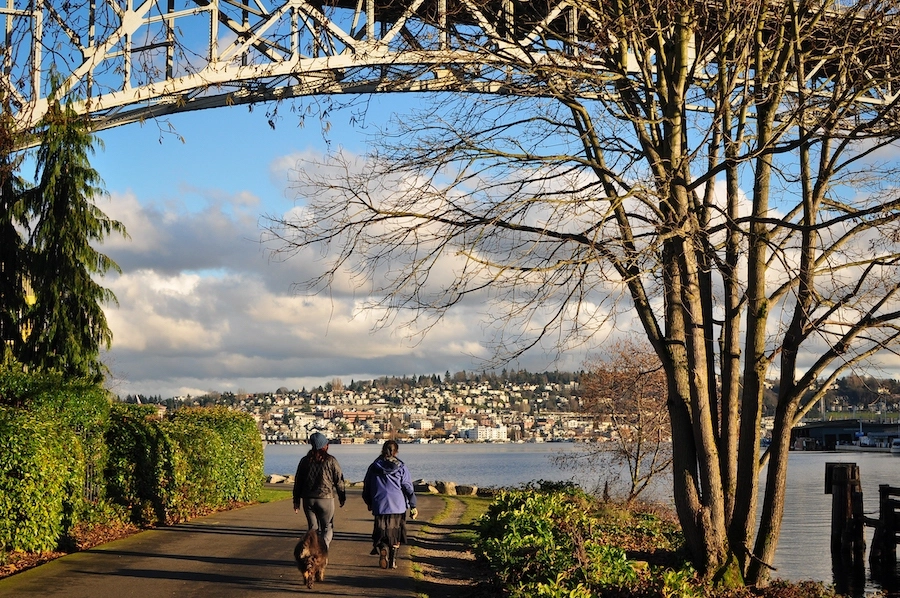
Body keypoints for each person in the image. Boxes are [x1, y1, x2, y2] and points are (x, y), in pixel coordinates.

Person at [362, 440, 417, 569]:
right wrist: (413, 504)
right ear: (396, 451)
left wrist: (369, 502)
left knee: (380, 532)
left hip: (379, 505)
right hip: (398, 506)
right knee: (396, 533)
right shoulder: (401, 467)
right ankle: (392, 560)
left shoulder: (374, 466)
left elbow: (367, 486)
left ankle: (382, 548)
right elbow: (408, 487)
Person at [293, 431, 346, 547]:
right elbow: (339, 480)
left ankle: (312, 552)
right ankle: (323, 550)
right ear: (325, 445)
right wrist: (342, 497)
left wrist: (296, 501)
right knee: (327, 527)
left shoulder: (304, 461)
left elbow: (298, 482)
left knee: (313, 529)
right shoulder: (331, 460)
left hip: (308, 499)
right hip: (326, 498)